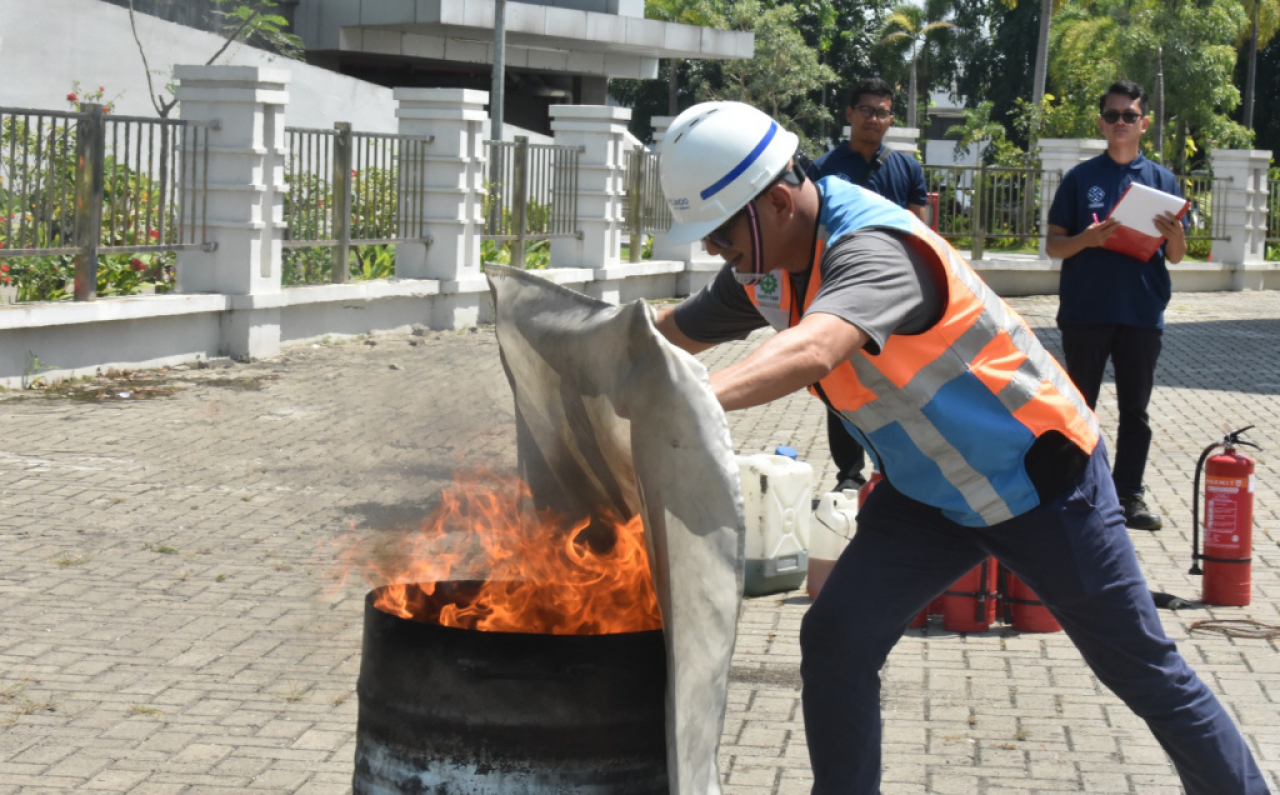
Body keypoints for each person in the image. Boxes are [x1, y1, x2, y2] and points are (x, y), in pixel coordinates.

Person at [652, 100, 1267, 795]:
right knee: (835, 641)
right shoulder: (766, 268)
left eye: (720, 229)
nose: (711, 248)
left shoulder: (874, 248)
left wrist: (693, 398)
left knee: (1142, 668)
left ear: (776, 200)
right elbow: (671, 333)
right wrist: (591, 347)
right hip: (931, 498)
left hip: (1042, 484)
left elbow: (816, 347)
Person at [1045, 79, 1188, 532]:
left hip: (1142, 312)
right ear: (1101, 123)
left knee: (1136, 412)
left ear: (1144, 123)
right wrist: (1086, 240)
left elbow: (1176, 255)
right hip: (1086, 311)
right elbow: (1054, 247)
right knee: (1079, 406)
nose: (1120, 123)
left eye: (1129, 115)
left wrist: (1179, 237)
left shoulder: (1163, 181)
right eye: (1112, 115)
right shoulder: (1080, 178)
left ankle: (1129, 495)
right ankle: (1075, 491)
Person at [806, 77, 929, 492]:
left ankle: (898, 473)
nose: (873, 119)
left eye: (882, 112)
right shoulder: (823, 171)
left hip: (895, 296)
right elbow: (812, 235)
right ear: (849, 114)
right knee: (842, 387)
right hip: (840, 293)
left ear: (891, 118)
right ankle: (848, 474)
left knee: (900, 385)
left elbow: (919, 231)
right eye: (866, 111)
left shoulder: (906, 168)